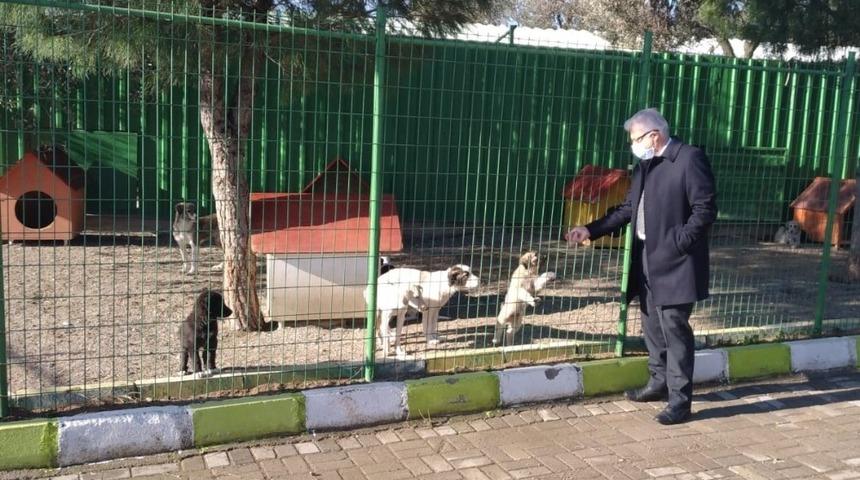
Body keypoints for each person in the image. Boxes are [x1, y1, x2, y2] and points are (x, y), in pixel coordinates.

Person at [565, 108, 717, 425]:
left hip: (678, 262)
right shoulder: (644, 164)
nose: (633, 145)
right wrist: (590, 230)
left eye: (635, 139)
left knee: (675, 330)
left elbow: (705, 209)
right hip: (646, 259)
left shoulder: (688, 159)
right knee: (652, 326)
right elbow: (628, 209)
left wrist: (679, 242)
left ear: (654, 135)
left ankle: (680, 402)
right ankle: (658, 383)